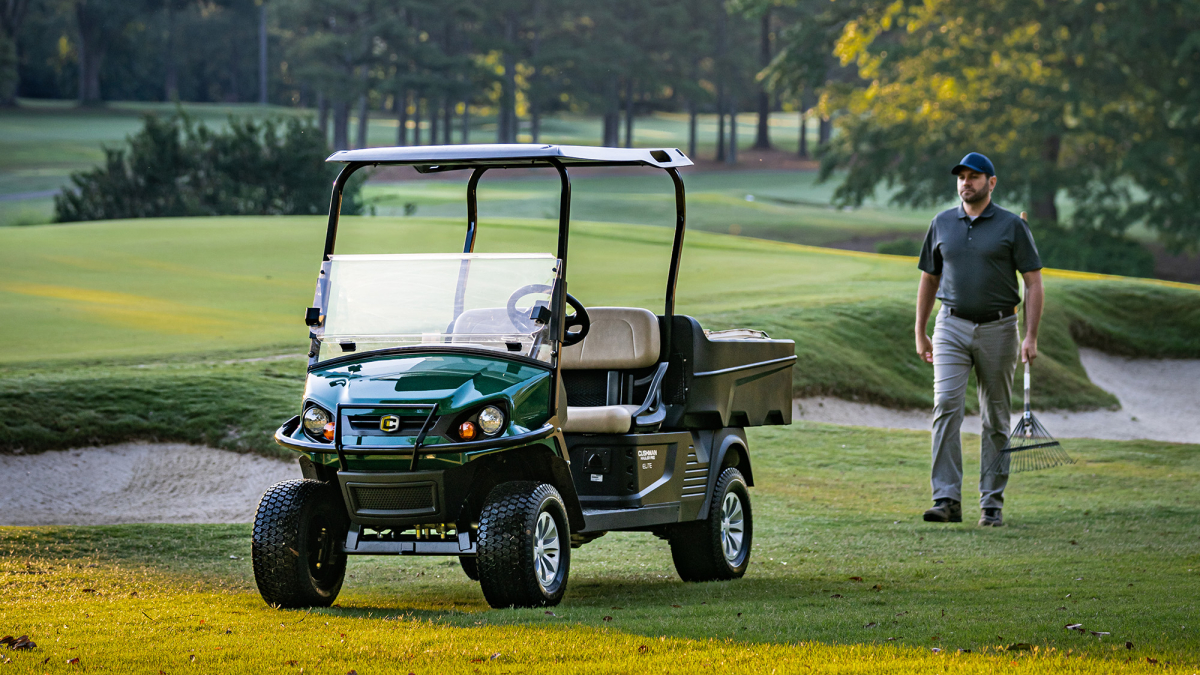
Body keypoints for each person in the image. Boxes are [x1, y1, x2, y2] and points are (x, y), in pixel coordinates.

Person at [914, 152, 1044, 527]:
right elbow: (929, 279)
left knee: (996, 418)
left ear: (992, 182)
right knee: (945, 406)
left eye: (974, 177)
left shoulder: (1011, 226)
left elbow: (1033, 282)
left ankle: (991, 503)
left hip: (1000, 329)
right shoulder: (941, 223)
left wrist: (1031, 336)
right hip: (950, 325)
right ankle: (946, 500)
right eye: (961, 177)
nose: (965, 182)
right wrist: (920, 330)